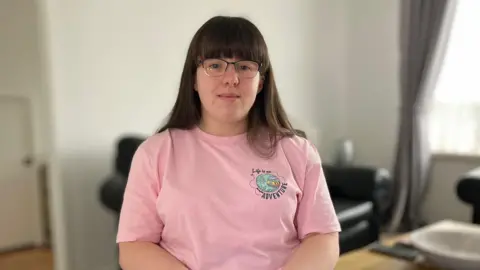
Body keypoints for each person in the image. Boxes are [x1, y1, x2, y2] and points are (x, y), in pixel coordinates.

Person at [116, 15, 341, 270]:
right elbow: (134, 246)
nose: (231, 78)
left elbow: (323, 237)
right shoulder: (154, 154)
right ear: (193, 79)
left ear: (261, 82)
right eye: (215, 65)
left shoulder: (298, 152)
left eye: (245, 67)